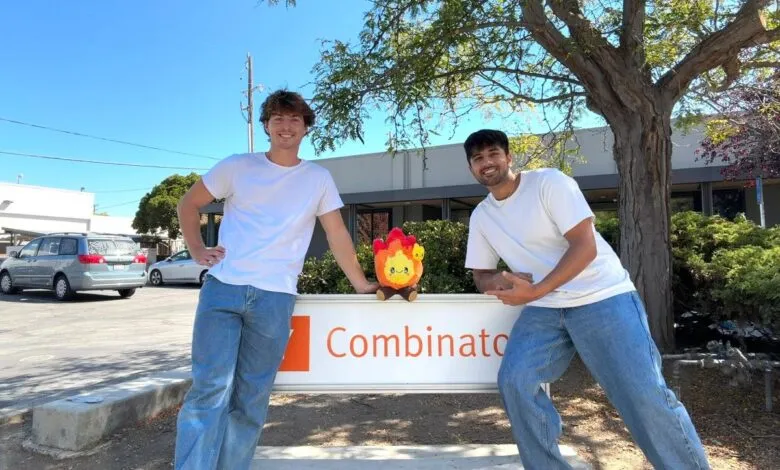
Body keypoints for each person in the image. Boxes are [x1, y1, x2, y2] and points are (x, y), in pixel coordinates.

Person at [463, 129, 710, 469]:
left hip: (602, 296)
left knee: (642, 394)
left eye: (493, 153)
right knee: (515, 381)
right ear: (471, 168)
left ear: (509, 157)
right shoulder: (482, 216)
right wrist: (501, 281)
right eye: (478, 158)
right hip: (545, 309)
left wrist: (536, 290)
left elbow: (585, 246)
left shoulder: (549, 183)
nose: (486, 162)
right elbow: (481, 274)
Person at [173, 89, 378, 470]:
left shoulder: (318, 178)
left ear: (306, 127)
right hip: (224, 290)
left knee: (251, 400)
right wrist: (197, 249)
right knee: (210, 391)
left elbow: (337, 234)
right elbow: (189, 203)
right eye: (278, 118)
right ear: (266, 125)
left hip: (275, 299)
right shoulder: (237, 166)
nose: (286, 126)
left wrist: (361, 284)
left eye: (295, 119)